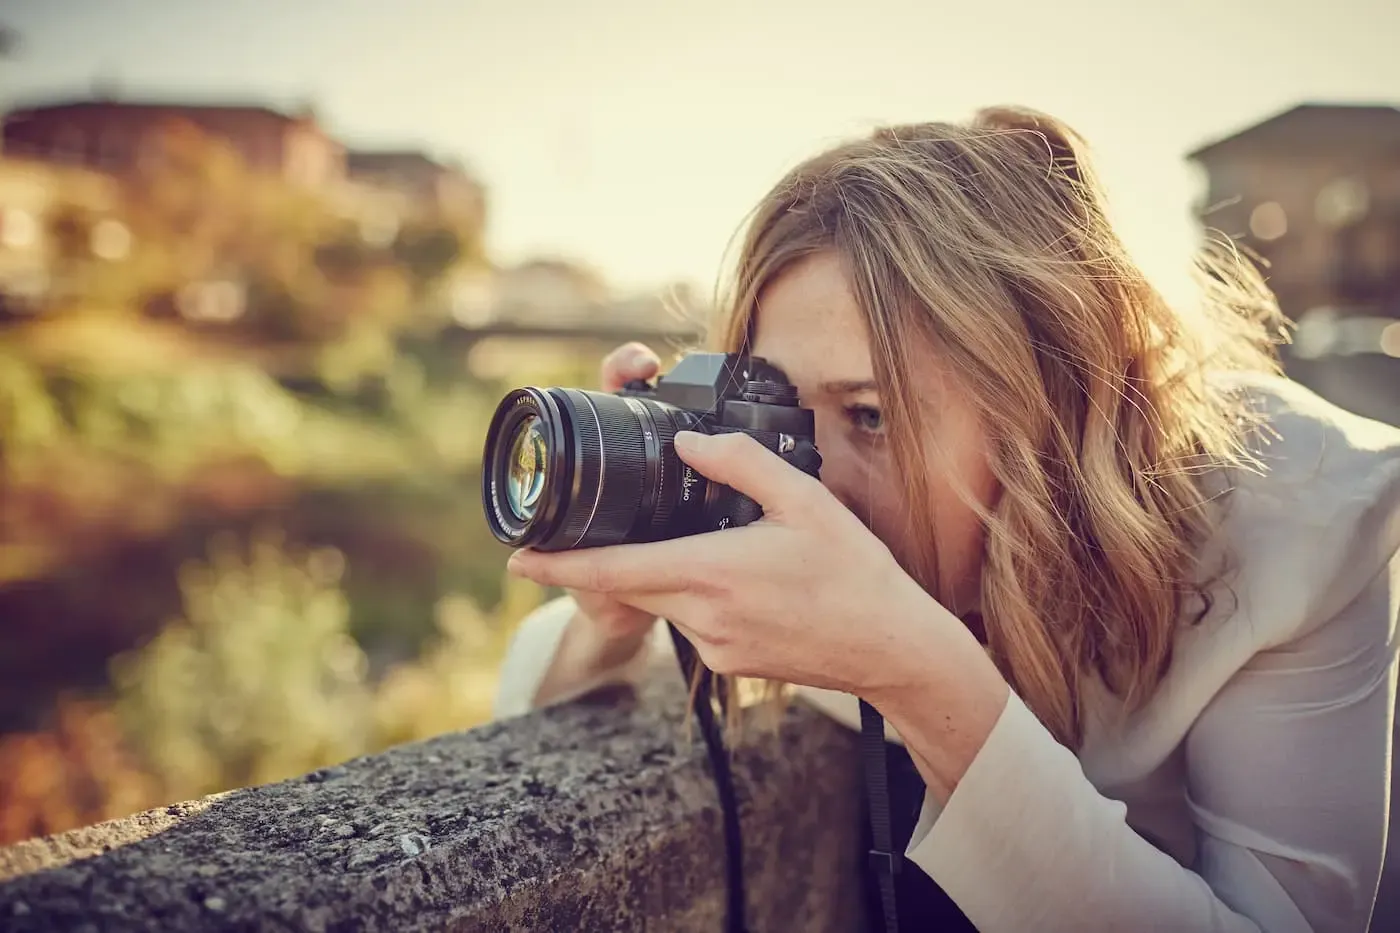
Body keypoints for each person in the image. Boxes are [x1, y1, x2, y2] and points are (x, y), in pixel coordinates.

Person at [490, 104, 1400, 932]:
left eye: (872, 415)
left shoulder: (1292, 523)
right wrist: (611, 622)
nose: (814, 482)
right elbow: (540, 728)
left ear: (1050, 410)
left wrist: (920, 676)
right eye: (785, 409)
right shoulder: (787, 498)